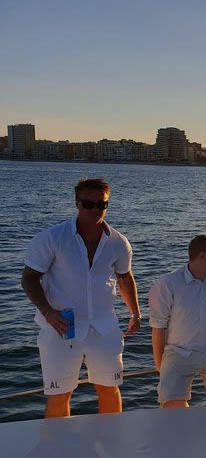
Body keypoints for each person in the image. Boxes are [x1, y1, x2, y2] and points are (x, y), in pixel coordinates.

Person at [21, 178, 141, 418]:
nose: (95, 209)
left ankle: (111, 444)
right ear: (77, 203)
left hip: (103, 327)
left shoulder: (119, 243)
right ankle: (57, 448)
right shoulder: (53, 238)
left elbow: (125, 278)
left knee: (109, 388)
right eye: (88, 204)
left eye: (102, 204)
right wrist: (47, 312)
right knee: (60, 394)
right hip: (61, 327)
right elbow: (30, 279)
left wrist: (135, 313)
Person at [149, 235, 206, 408]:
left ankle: (201, 424)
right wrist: (161, 366)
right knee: (171, 405)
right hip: (179, 352)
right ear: (202, 256)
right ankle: (194, 425)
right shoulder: (168, 284)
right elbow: (158, 327)